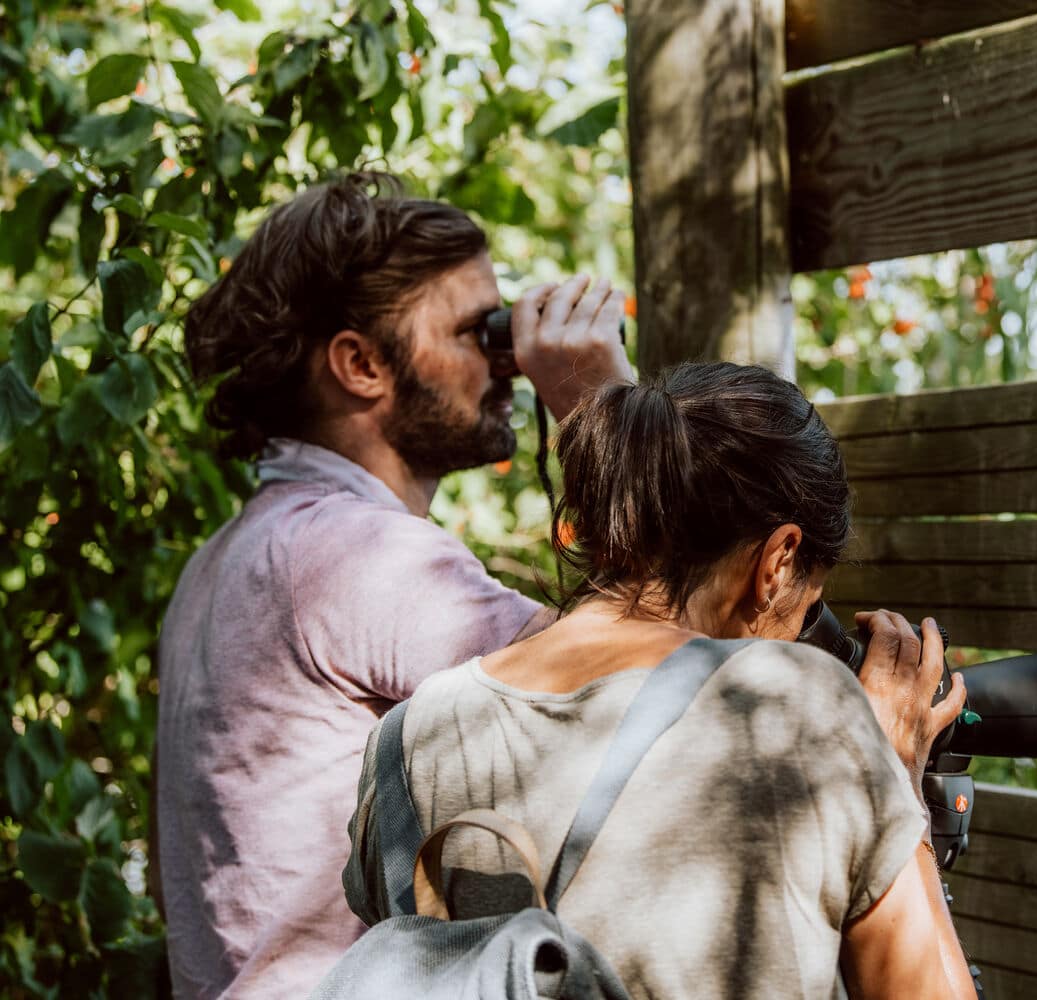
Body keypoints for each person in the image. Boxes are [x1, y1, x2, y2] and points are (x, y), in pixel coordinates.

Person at [343, 362, 980, 1000]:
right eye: (809, 607)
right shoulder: (794, 707)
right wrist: (895, 770)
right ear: (779, 560)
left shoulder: (408, 737)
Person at [154, 171, 634, 999]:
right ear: (361, 364)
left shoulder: (233, 554)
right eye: (478, 333)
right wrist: (602, 410)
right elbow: (662, 684)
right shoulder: (354, 555)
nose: (509, 367)